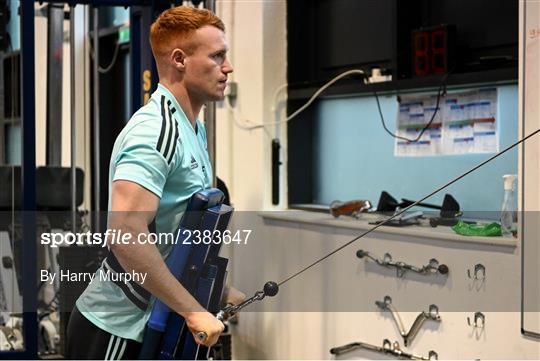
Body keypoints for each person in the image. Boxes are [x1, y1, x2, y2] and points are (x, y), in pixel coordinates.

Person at [66, 6, 242, 359]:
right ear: (179, 59)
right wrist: (193, 310)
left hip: (156, 323)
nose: (228, 67)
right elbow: (125, 235)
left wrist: (216, 294)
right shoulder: (153, 132)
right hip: (116, 329)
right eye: (217, 56)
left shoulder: (192, 128)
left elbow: (181, 233)